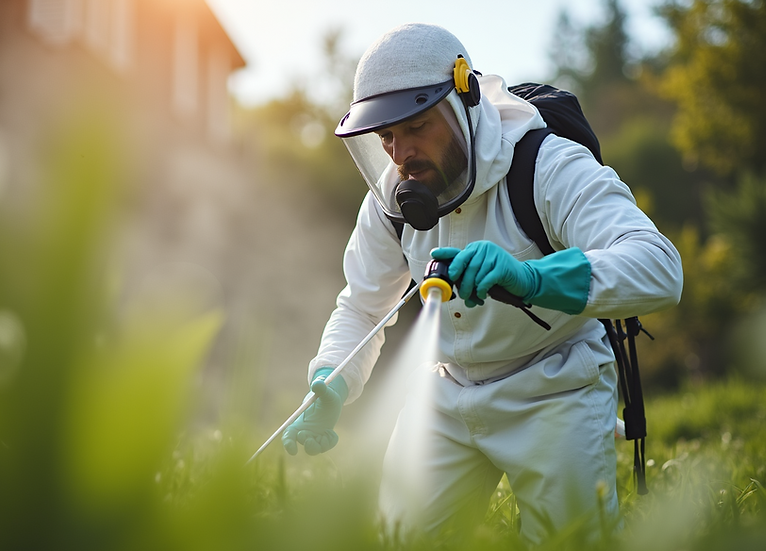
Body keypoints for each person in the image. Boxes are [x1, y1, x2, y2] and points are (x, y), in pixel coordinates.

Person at [280, 22, 683, 544]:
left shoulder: (547, 164)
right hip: (442, 389)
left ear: (462, 103)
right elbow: (362, 306)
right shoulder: (391, 199)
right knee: (401, 540)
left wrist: (533, 277)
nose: (400, 156)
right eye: (386, 138)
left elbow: (659, 266)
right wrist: (332, 378)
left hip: (554, 386)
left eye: (417, 126)